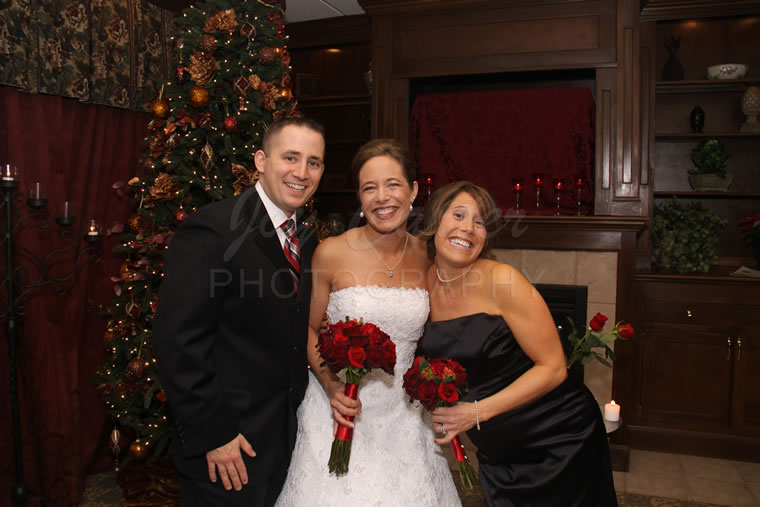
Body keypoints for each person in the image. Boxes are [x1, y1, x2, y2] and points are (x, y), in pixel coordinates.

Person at [275, 139, 461, 506]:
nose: (382, 198)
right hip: (339, 408)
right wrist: (332, 386)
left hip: (405, 417)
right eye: (369, 188)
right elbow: (309, 329)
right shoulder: (332, 251)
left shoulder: (429, 255)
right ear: (359, 197)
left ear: (413, 190)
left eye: (393, 185)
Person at [153, 117, 326, 506]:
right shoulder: (213, 230)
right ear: (261, 161)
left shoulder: (307, 240)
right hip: (227, 448)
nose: (302, 172)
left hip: (285, 441)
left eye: (313, 162)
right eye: (291, 157)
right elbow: (178, 343)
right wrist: (214, 434)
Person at [420, 181, 618, 507]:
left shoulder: (503, 280)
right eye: (458, 215)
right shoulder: (425, 282)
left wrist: (475, 413)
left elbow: (554, 368)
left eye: (480, 222)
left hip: (559, 436)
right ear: (434, 221)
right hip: (500, 449)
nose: (468, 228)